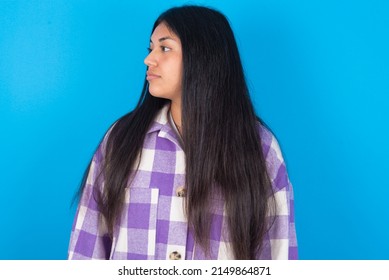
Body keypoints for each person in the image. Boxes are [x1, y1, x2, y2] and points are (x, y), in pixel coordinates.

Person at [68, 5, 297, 260]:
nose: (149, 59)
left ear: (203, 56)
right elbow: (86, 250)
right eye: (150, 47)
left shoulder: (260, 149)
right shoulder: (122, 139)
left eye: (164, 48)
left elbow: (278, 255)